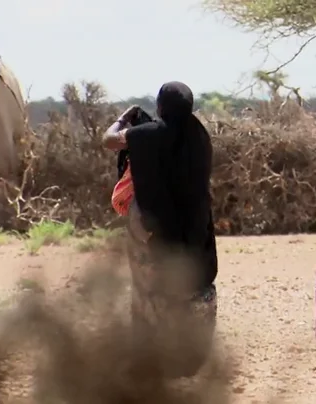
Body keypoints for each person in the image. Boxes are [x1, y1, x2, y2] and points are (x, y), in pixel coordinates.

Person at [102, 81, 218, 378]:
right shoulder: (200, 136)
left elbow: (110, 140)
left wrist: (125, 117)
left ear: (162, 105)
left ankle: (152, 362)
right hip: (196, 228)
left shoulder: (151, 134)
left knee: (150, 290)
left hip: (154, 231)